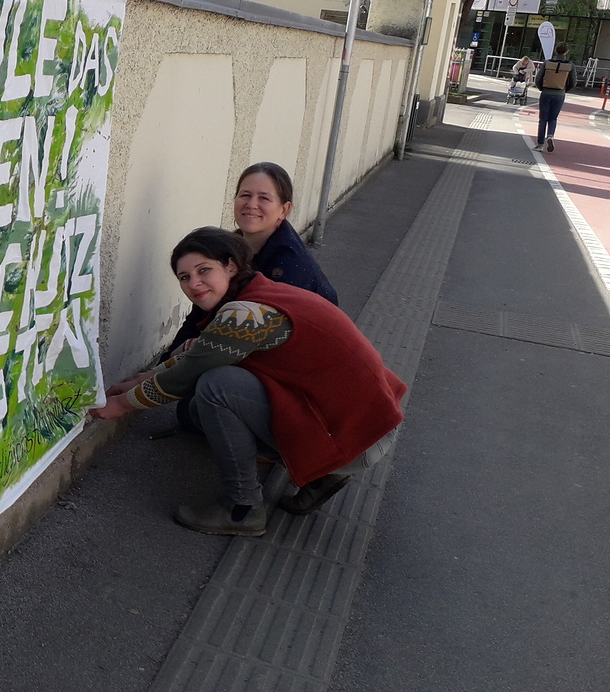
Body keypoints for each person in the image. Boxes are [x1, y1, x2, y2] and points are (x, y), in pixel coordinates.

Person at [92, 227, 406, 536]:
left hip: (359, 436)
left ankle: (241, 508)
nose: (193, 283)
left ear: (230, 266)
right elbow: (200, 352)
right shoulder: (258, 292)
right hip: (364, 424)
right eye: (184, 277)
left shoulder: (245, 314)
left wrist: (120, 404)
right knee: (203, 401)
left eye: (204, 270)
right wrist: (143, 379)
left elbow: (185, 376)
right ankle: (321, 475)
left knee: (215, 388)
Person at [161, 162, 336, 431]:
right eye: (244, 195)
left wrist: (161, 380)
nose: (251, 204)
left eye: (264, 198)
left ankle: (276, 443)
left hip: (299, 379)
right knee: (191, 405)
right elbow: (201, 314)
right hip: (259, 355)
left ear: (284, 210)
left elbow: (244, 341)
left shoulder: (290, 267)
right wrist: (162, 366)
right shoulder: (231, 248)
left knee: (199, 402)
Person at [535, 42, 573, 152]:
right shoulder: (570, 65)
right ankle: (550, 136)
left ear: (555, 51)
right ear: (567, 52)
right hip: (559, 93)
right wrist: (564, 90)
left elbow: (538, 79)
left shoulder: (547, 63)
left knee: (543, 119)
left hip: (546, 92)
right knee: (553, 118)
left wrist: (542, 88)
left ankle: (540, 144)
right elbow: (573, 82)